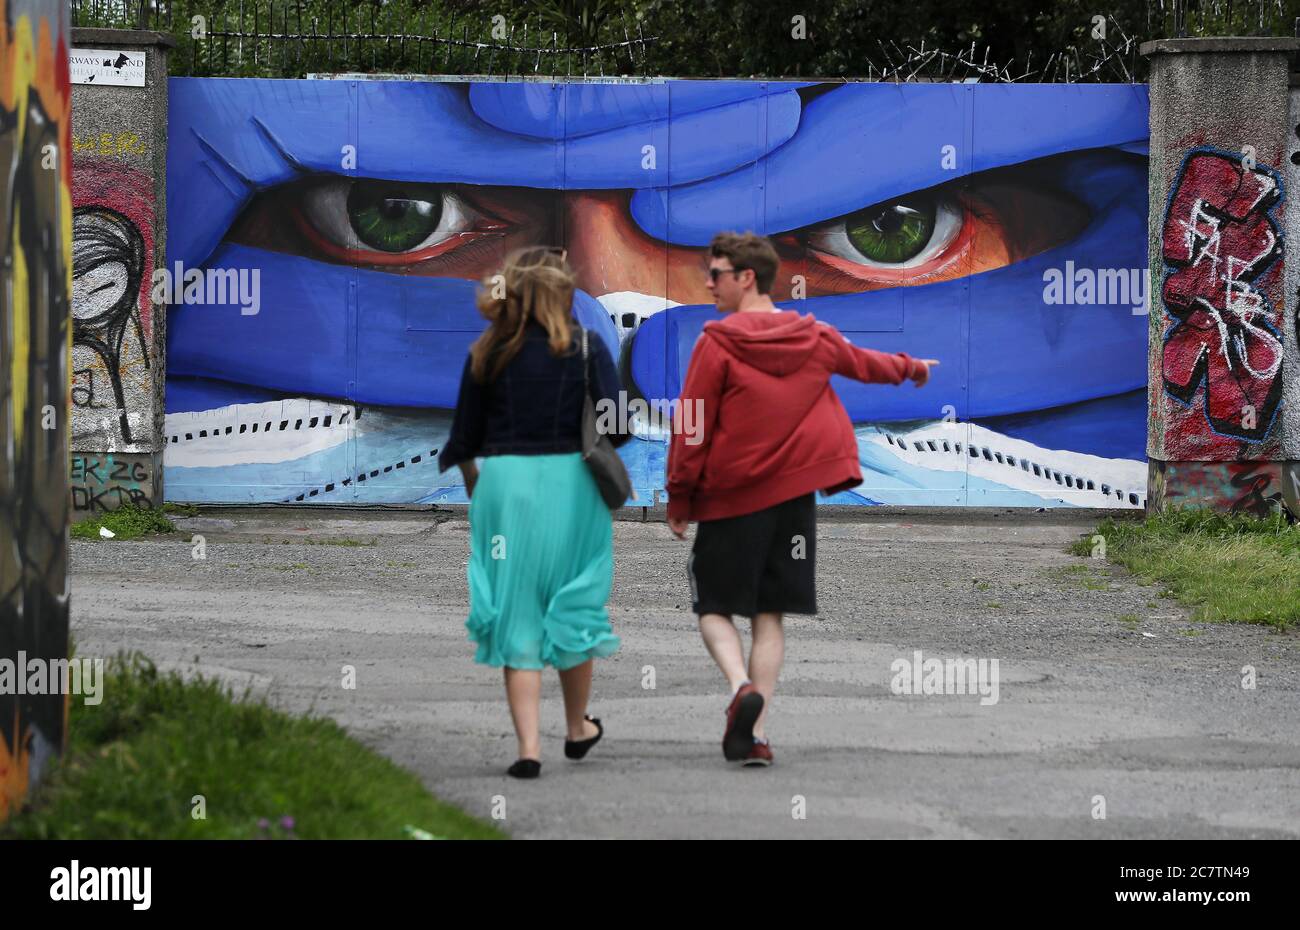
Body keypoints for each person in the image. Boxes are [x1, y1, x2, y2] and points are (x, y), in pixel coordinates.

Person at [666, 232, 939, 767]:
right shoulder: (812, 335)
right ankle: (756, 734)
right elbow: (867, 365)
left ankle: (740, 687)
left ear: (746, 278)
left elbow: (692, 426)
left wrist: (679, 497)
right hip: (792, 502)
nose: (708, 283)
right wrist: (914, 367)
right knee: (770, 615)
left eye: (717, 274)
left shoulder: (717, 344)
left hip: (730, 500)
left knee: (713, 607)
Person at [438, 247, 630, 779]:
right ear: (562, 293)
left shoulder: (486, 352)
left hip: (503, 483)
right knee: (573, 603)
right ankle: (576, 728)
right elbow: (619, 428)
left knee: (516, 611)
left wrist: (480, 487)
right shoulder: (587, 348)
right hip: (570, 483)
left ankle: (527, 749)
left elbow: (463, 440)